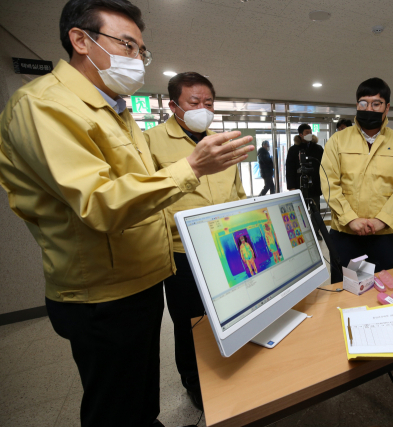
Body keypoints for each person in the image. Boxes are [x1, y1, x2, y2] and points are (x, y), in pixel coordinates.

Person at [0, 1, 253, 426]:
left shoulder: (116, 111)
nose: (137, 59)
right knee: (114, 406)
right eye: (127, 45)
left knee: (137, 398)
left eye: (140, 50)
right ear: (81, 40)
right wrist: (190, 169)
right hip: (102, 289)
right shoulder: (43, 106)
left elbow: (139, 189)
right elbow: (98, 203)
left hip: (141, 274)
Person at [144, 71, 246, 411]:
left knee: (229, 311)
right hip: (181, 251)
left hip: (226, 244)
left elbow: (238, 191)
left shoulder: (222, 141)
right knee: (189, 321)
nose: (203, 108)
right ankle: (194, 380)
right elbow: (149, 196)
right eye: (194, 102)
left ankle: (228, 365)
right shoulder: (151, 141)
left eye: (209, 103)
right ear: (174, 105)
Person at [321, 77, 393, 283]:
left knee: (384, 291)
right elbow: (329, 184)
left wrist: (382, 220)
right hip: (345, 234)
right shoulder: (338, 140)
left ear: (387, 107)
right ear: (357, 105)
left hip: (384, 236)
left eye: (376, 104)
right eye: (363, 103)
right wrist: (350, 219)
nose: (369, 108)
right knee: (344, 293)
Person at [286, 124, 324, 239]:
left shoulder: (318, 149)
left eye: (310, 131)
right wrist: (291, 187)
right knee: (300, 210)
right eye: (306, 132)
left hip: (315, 185)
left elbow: (323, 167)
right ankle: (303, 232)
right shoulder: (293, 150)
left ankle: (315, 232)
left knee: (315, 210)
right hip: (300, 185)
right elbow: (290, 169)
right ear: (300, 134)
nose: (309, 134)